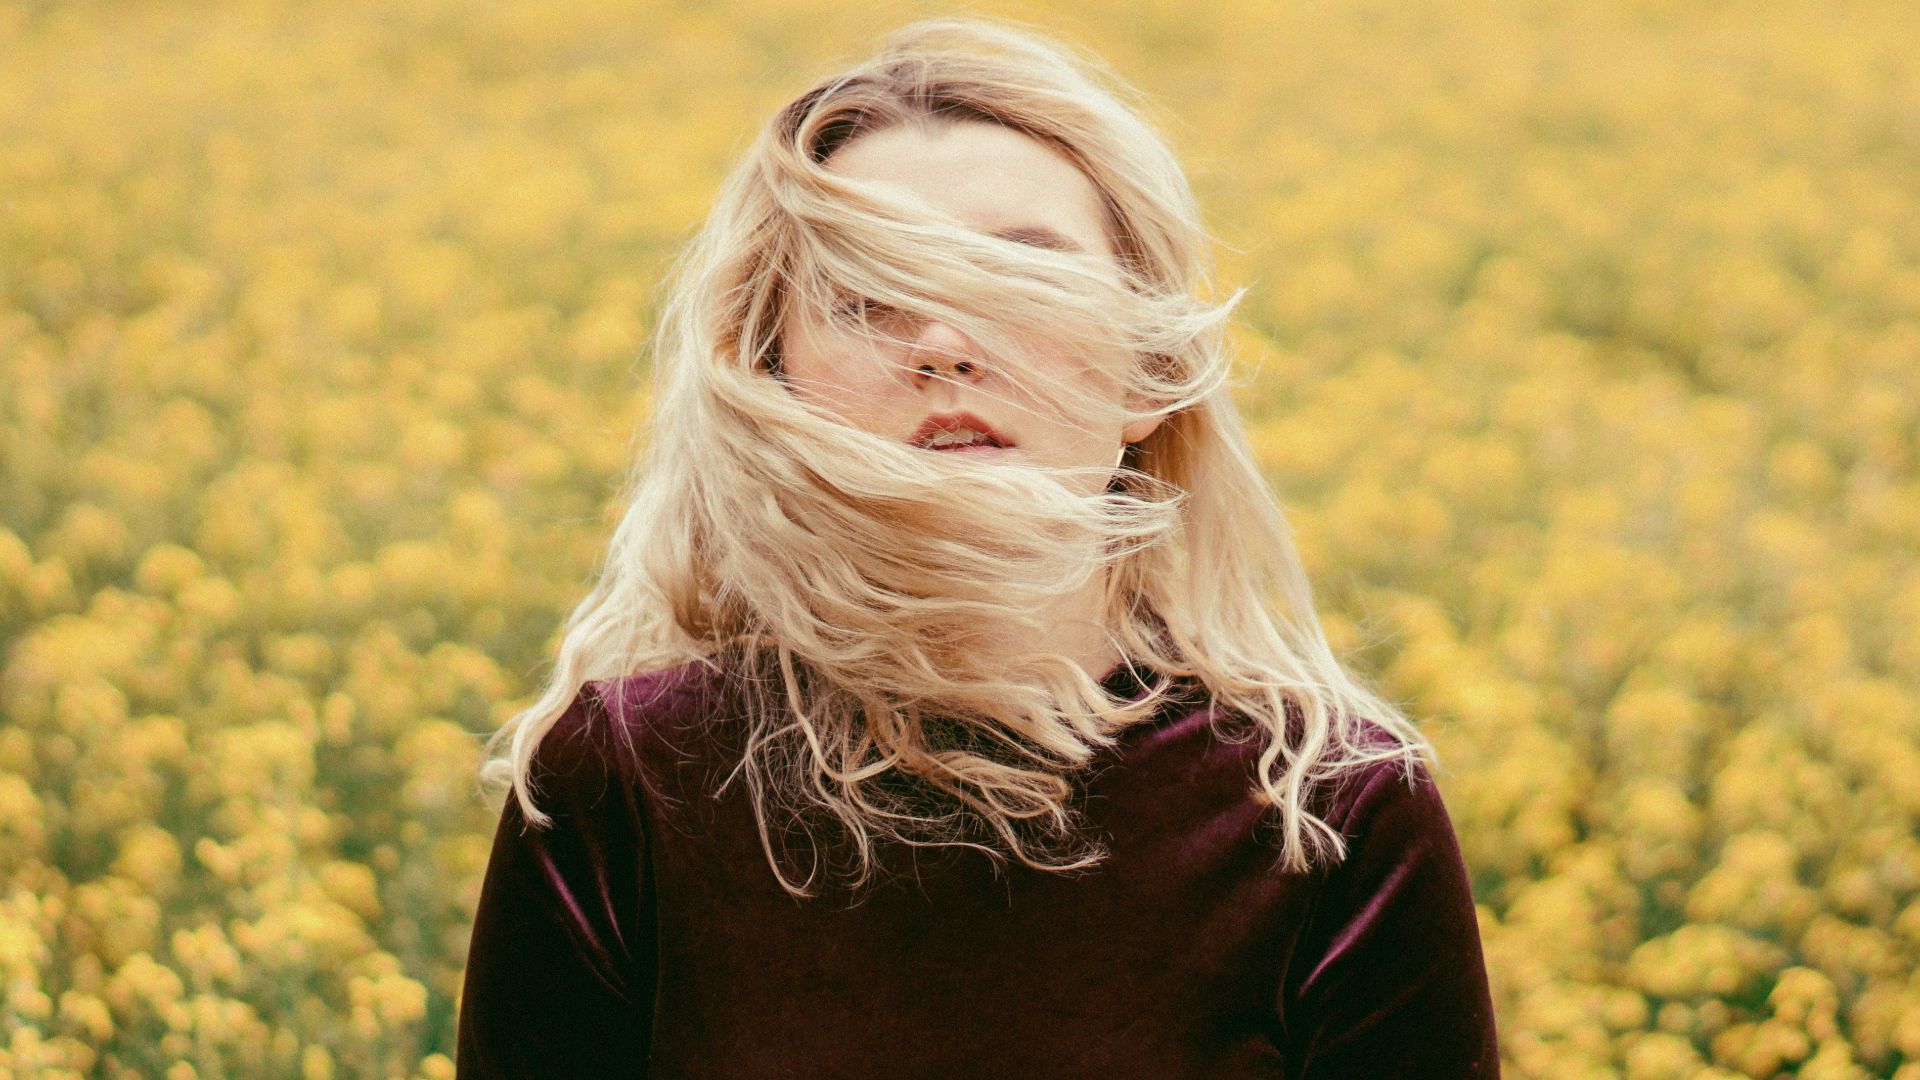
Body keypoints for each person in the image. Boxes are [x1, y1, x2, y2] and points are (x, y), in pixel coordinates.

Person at [456, 15, 1500, 1079]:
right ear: (773, 383)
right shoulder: (625, 786)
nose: (945, 346)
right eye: (868, 296)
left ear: (1148, 371)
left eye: (1019, 279)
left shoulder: (1328, 815)